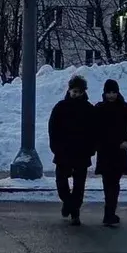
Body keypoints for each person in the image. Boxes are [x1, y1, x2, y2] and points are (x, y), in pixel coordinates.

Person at [94, 79, 127, 227]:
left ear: (118, 92)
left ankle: (109, 213)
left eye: (113, 92)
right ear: (104, 93)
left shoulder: (124, 107)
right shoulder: (99, 108)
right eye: (108, 92)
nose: (111, 95)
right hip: (104, 150)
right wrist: (95, 142)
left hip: (119, 150)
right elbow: (91, 126)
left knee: (114, 182)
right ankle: (109, 214)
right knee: (107, 182)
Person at [48, 74, 95, 226]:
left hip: (82, 153)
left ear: (83, 92)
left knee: (79, 187)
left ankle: (75, 213)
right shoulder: (60, 107)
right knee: (61, 184)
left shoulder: (89, 109)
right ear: (69, 90)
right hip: (63, 153)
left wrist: (91, 149)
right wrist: (55, 147)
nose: (75, 94)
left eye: (79, 92)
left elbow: (95, 131)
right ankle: (68, 204)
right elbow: (52, 129)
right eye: (73, 91)